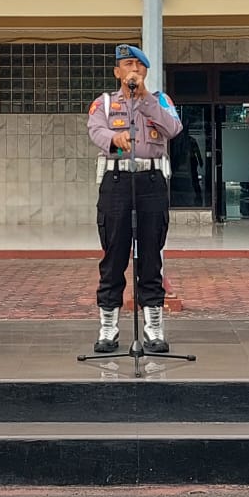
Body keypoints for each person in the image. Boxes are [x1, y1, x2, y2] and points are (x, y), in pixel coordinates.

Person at [87, 43, 182, 354]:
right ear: (117, 72)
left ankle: (154, 328)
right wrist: (114, 139)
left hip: (151, 181)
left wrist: (144, 100)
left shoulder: (160, 100)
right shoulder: (104, 103)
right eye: (128, 65)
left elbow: (173, 128)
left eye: (139, 66)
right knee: (114, 255)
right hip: (116, 182)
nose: (134, 70)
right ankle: (108, 328)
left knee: (151, 255)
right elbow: (95, 131)